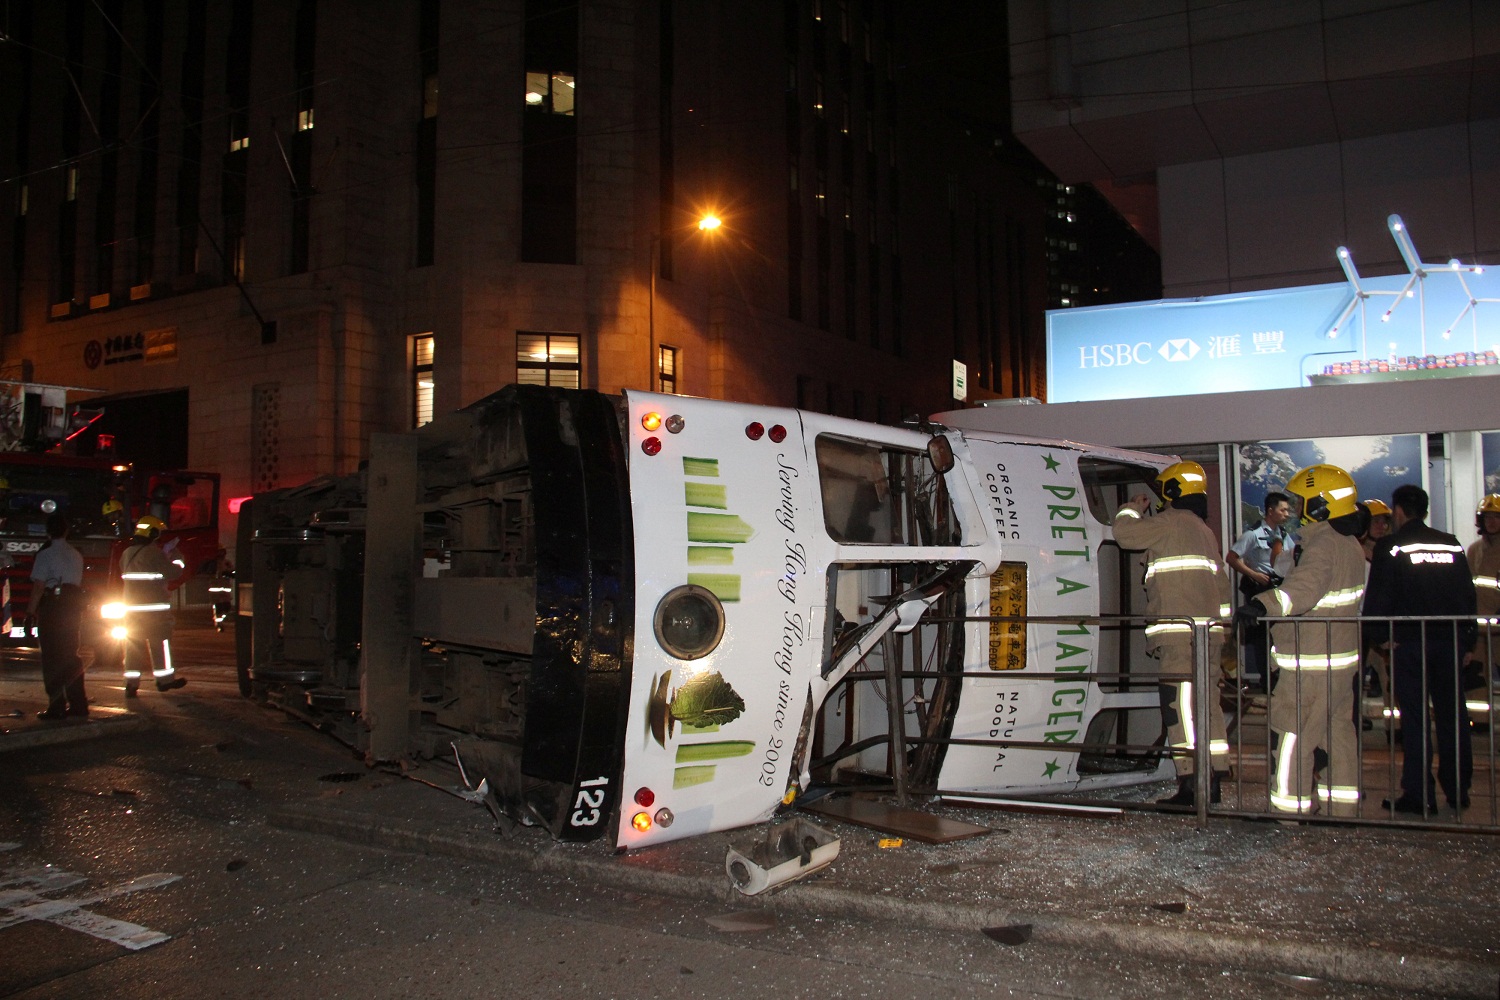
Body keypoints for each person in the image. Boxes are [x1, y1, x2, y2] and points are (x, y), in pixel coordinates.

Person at [1238, 465, 1366, 818]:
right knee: (1337, 733)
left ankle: (1289, 811)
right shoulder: (1350, 543)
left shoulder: (1323, 544)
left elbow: (1303, 591)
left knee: (1292, 735)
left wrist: (1260, 606)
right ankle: (1342, 811)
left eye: (1301, 501)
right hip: (1337, 663)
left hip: (1310, 664)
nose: (1295, 508)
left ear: (1321, 505)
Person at [1113, 461, 1233, 805]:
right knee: (1207, 706)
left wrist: (1132, 508)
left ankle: (1192, 787)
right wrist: (1221, 631)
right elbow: (1222, 588)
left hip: (1178, 637)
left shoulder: (1169, 523)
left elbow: (1124, 535)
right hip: (1208, 635)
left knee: (1180, 708)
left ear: (1172, 491)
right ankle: (1212, 780)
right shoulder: (1205, 531)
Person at [1362, 483, 1477, 814]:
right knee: (1452, 718)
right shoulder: (1452, 545)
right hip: (1450, 642)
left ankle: (1419, 794)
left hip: (1410, 644)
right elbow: (1468, 596)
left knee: (1415, 721)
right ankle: (1458, 790)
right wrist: (1467, 641)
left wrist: (1382, 637)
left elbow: (1379, 598)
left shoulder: (1391, 547)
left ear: (1398, 511)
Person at [1226, 491, 1295, 691]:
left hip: (1278, 589)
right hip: (1259, 589)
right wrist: (1253, 574)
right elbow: (1232, 557)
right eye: (1283, 510)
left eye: (1288, 510)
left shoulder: (1283, 535)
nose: (1286, 514)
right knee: (1261, 638)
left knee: (1280, 635)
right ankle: (1267, 681)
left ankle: (1280, 677)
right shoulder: (1253, 534)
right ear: (1270, 511)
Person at [27, 513, 88, 720]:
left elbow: (38, 587)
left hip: (52, 608)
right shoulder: (76, 554)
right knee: (71, 656)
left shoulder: (45, 555)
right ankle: (79, 705)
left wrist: (30, 613)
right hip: (72, 608)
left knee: (52, 658)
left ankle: (56, 706)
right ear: (66, 530)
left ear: (47, 532)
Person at [119, 514, 187, 696]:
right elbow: (173, 572)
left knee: (133, 648)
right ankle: (164, 681)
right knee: (160, 645)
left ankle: (131, 685)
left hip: (131, 611)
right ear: (153, 533)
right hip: (154, 612)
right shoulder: (154, 552)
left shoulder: (127, 554)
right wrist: (176, 555)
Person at [1464, 494, 1500, 732]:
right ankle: (1480, 723)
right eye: (1488, 517)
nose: (1492, 522)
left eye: (1496, 517)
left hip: (1499, 629)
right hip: (1478, 630)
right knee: (1476, 679)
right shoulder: (1474, 550)